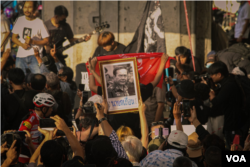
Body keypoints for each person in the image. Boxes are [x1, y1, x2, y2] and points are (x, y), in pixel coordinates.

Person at [208, 61, 248, 149]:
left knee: (234, 148)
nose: (211, 77)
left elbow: (217, 103)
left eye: (212, 74)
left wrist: (212, 97)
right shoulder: (230, 81)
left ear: (219, 74)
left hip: (234, 124)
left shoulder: (228, 85)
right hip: (237, 122)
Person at [12, 0, 49, 74]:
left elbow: (46, 41)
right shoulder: (20, 20)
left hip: (35, 56)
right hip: (21, 56)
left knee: (38, 79)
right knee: (19, 79)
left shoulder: (39, 22)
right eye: (25, 7)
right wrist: (22, 45)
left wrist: (33, 42)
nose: (26, 9)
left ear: (35, 8)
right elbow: (14, 37)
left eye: (29, 7)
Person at [18, 93, 56, 163]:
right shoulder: (30, 119)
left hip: (36, 154)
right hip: (27, 157)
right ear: (44, 109)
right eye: (51, 107)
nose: (52, 110)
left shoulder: (41, 118)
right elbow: (21, 135)